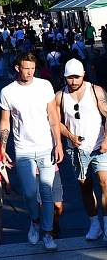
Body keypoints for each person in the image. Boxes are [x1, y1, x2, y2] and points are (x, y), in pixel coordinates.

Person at [0, 51, 64, 251]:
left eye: (33, 68)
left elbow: (53, 116)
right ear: (18, 68)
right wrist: (2, 146)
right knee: (29, 192)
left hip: (46, 146)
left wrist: (58, 143)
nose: (30, 72)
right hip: (23, 148)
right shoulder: (7, 91)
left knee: (46, 193)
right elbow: (5, 121)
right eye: (26, 68)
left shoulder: (44, 86)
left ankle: (47, 233)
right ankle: (35, 221)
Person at [54, 57, 107, 241]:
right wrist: (69, 136)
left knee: (105, 183)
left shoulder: (95, 90)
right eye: (70, 77)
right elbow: (56, 122)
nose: (74, 81)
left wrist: (106, 140)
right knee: (85, 187)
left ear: (84, 74)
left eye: (77, 77)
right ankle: (94, 224)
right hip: (76, 150)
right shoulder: (60, 96)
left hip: (99, 147)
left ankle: (106, 223)